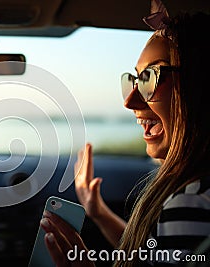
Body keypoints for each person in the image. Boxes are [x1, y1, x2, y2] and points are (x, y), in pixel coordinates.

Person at [40, 2, 210, 266]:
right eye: (136, 79)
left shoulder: (191, 203)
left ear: (199, 84)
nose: (130, 101)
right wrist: (98, 212)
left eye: (151, 77)